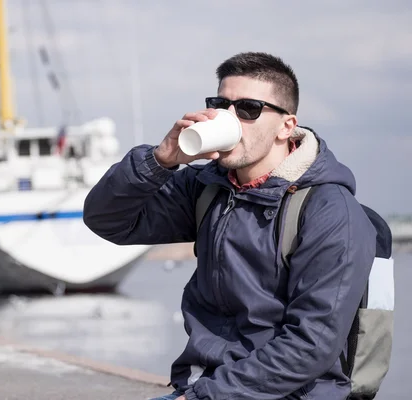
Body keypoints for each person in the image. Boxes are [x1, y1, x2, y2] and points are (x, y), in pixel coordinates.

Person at [83, 52, 377, 399]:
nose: (230, 118)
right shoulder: (207, 187)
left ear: (287, 125)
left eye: (248, 109)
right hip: (206, 386)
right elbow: (108, 221)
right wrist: (160, 159)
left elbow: (311, 345)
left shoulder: (329, 212)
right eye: (221, 105)